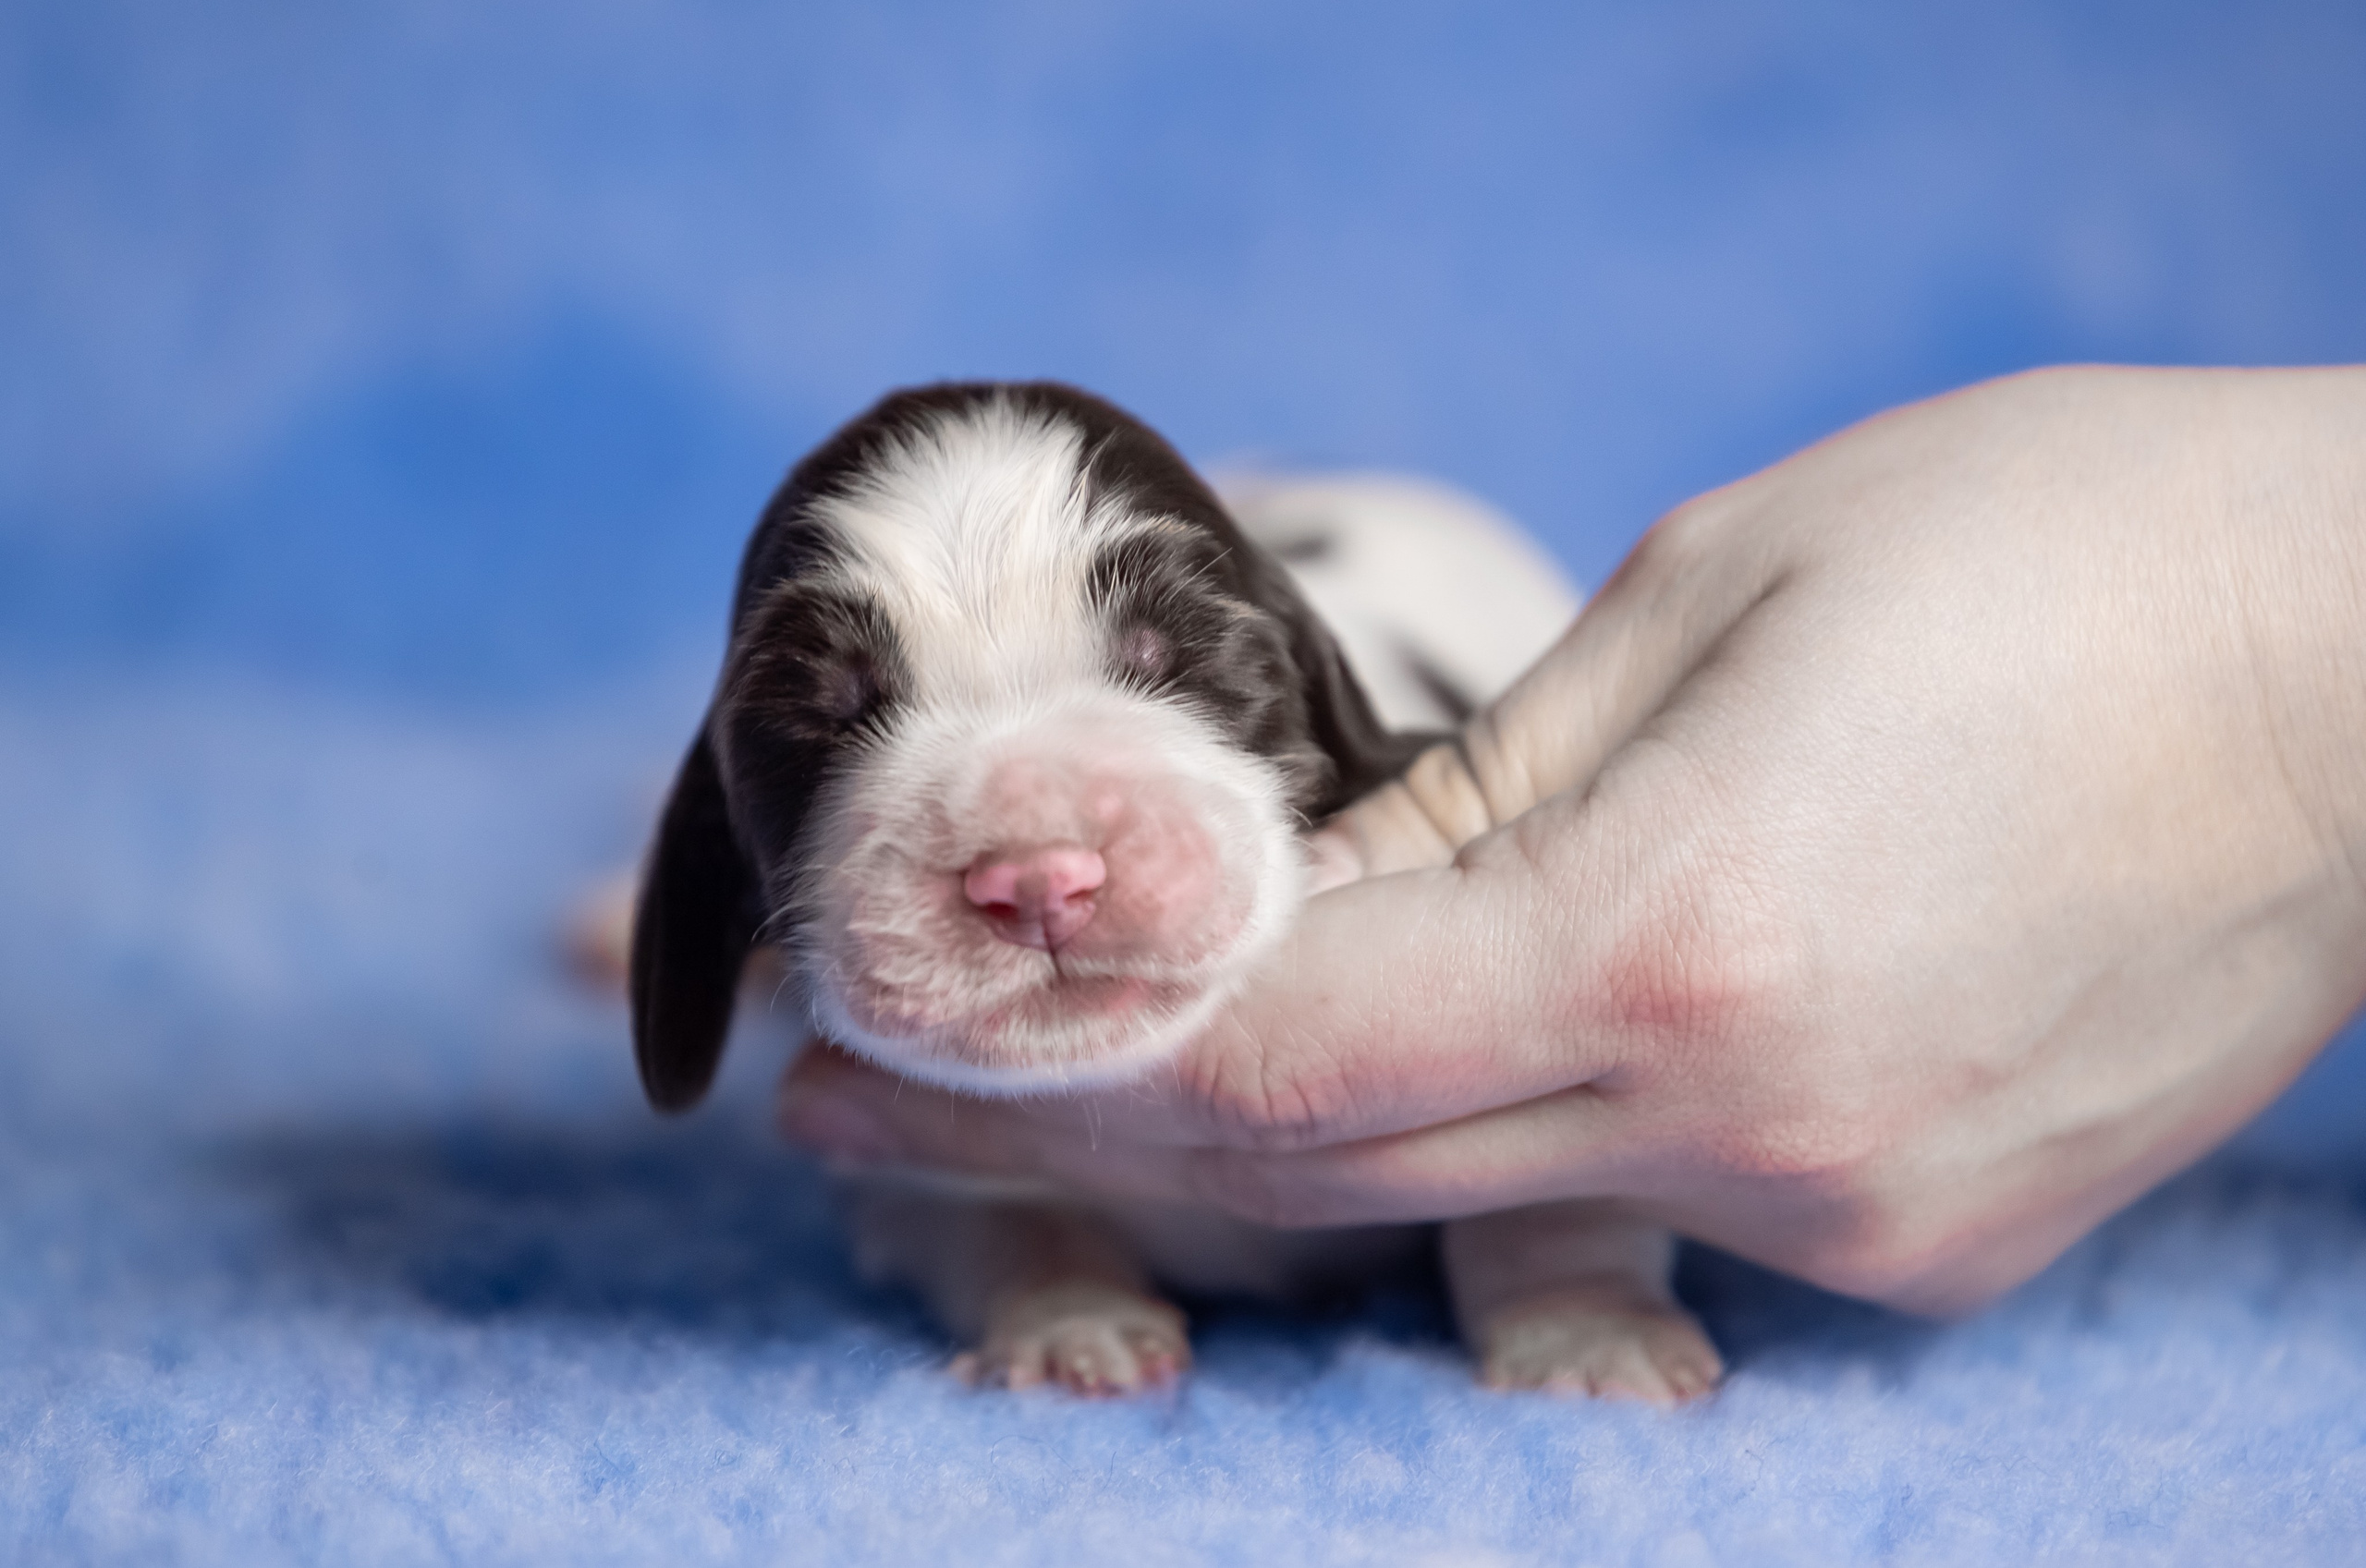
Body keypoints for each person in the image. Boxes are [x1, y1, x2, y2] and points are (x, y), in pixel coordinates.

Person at [776, 364, 2366, 1317]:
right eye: (831, 717)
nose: (1039, 863)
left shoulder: (1435, 778)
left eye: (1168, 673)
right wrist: (1028, 1262)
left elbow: (1590, 1053)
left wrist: (1561, 1278)